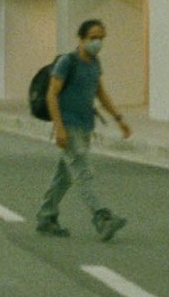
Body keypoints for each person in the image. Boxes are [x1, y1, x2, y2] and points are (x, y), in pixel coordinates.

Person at [36, 19, 131, 240]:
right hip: (68, 126)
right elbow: (52, 94)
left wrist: (119, 119)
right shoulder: (67, 62)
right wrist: (59, 127)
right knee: (83, 172)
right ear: (81, 39)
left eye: (101, 38)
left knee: (65, 177)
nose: (97, 42)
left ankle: (46, 217)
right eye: (93, 38)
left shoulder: (95, 63)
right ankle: (102, 217)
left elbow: (101, 92)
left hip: (86, 125)